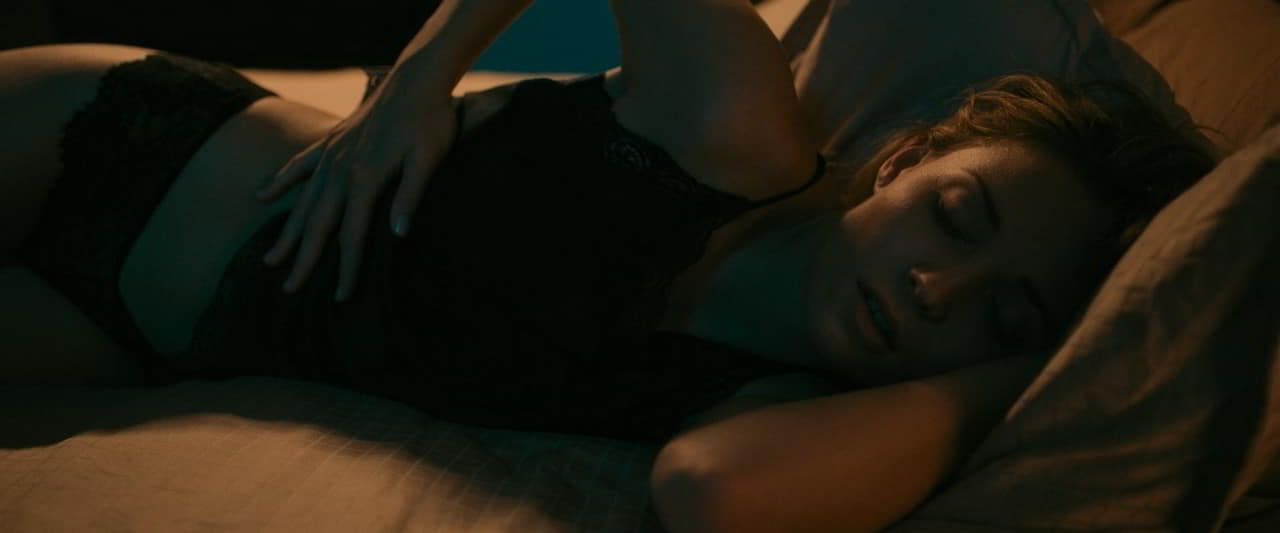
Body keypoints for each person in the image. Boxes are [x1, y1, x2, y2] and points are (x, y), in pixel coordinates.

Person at [0, 1, 1213, 531]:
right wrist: (418, 78)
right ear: (901, 161)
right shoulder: (736, 126)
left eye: (1002, 309)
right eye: (954, 217)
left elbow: (711, 495)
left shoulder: (768, 402)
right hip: (126, 140)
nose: (935, 289)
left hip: (128, 339)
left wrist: (1038, 370)